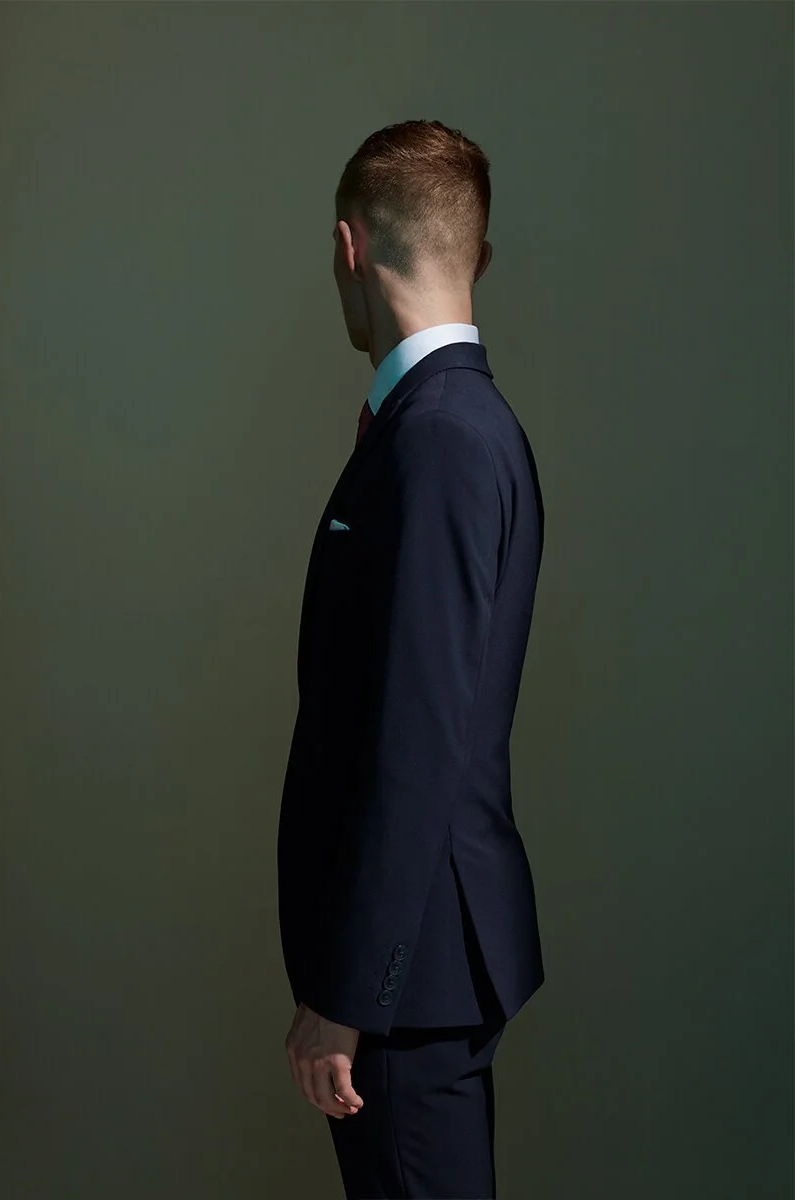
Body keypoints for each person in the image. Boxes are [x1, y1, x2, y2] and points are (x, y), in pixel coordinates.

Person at [277, 118, 545, 1199]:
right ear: (476, 254)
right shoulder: (443, 425)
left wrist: (351, 988)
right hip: (420, 969)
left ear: (347, 247)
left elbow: (418, 737)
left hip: (407, 979)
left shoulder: (437, 438)